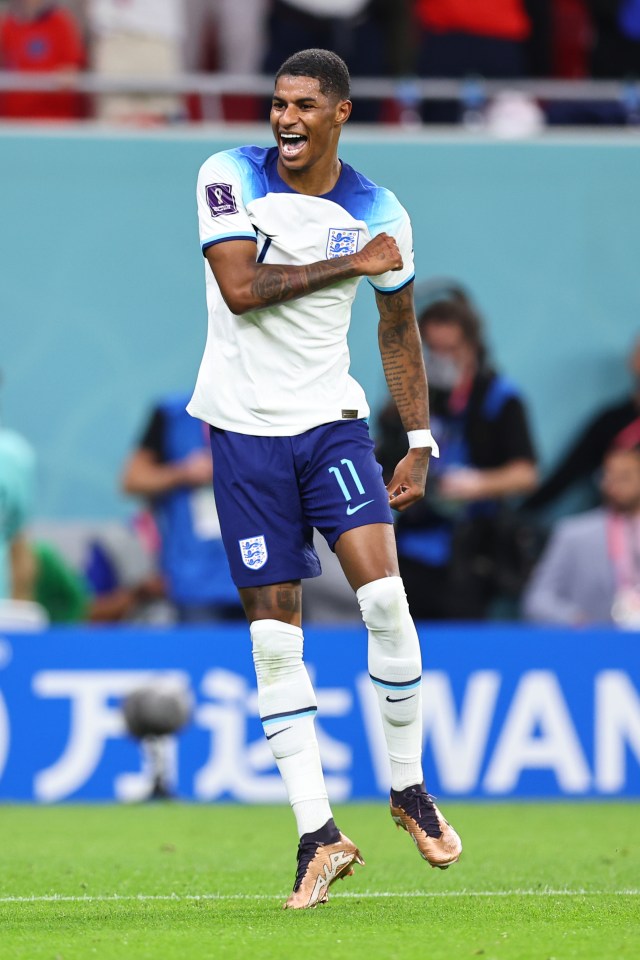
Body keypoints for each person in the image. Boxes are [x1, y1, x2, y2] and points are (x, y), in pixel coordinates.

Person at [187, 48, 462, 910]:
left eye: (305, 104)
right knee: (277, 640)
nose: (286, 118)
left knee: (385, 599)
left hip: (331, 426)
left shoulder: (382, 210)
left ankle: (408, 789)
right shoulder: (227, 175)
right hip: (242, 432)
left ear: (341, 112)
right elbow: (239, 287)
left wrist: (418, 438)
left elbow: (398, 324)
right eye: (277, 103)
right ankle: (318, 834)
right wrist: (353, 262)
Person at [376, 290, 538, 620]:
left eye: (450, 350)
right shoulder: (408, 401)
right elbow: (382, 463)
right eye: (432, 350)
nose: (441, 358)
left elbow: (526, 473)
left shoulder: (500, 398)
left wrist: (475, 484)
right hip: (411, 546)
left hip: (471, 552)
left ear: (472, 344)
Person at [121, 393, 243, 623]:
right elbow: (132, 479)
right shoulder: (173, 413)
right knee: (205, 656)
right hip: (196, 581)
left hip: (266, 571)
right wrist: (184, 473)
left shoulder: (268, 409)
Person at [523, 443, 640, 626]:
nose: (614, 485)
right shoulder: (573, 534)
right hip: (593, 645)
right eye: (609, 476)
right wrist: (575, 620)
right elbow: (537, 600)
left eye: (625, 477)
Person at [524, 335, 640, 514]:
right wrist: (521, 511)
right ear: (632, 360)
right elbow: (567, 473)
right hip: (616, 528)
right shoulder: (611, 421)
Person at [0, 0, 85, 121]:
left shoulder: (61, 21)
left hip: (51, 123)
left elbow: (70, 69)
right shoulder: (8, 23)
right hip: (13, 122)